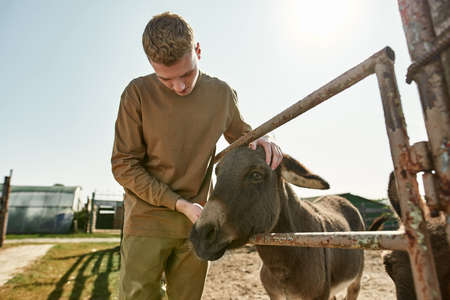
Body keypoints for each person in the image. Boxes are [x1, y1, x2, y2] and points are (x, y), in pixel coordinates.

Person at [111, 12, 283, 300]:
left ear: (198, 51)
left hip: (198, 223)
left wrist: (265, 138)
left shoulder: (222, 94)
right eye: (166, 80)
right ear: (151, 65)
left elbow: (244, 137)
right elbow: (124, 165)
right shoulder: (136, 94)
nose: (179, 87)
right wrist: (177, 204)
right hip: (147, 221)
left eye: (186, 74)